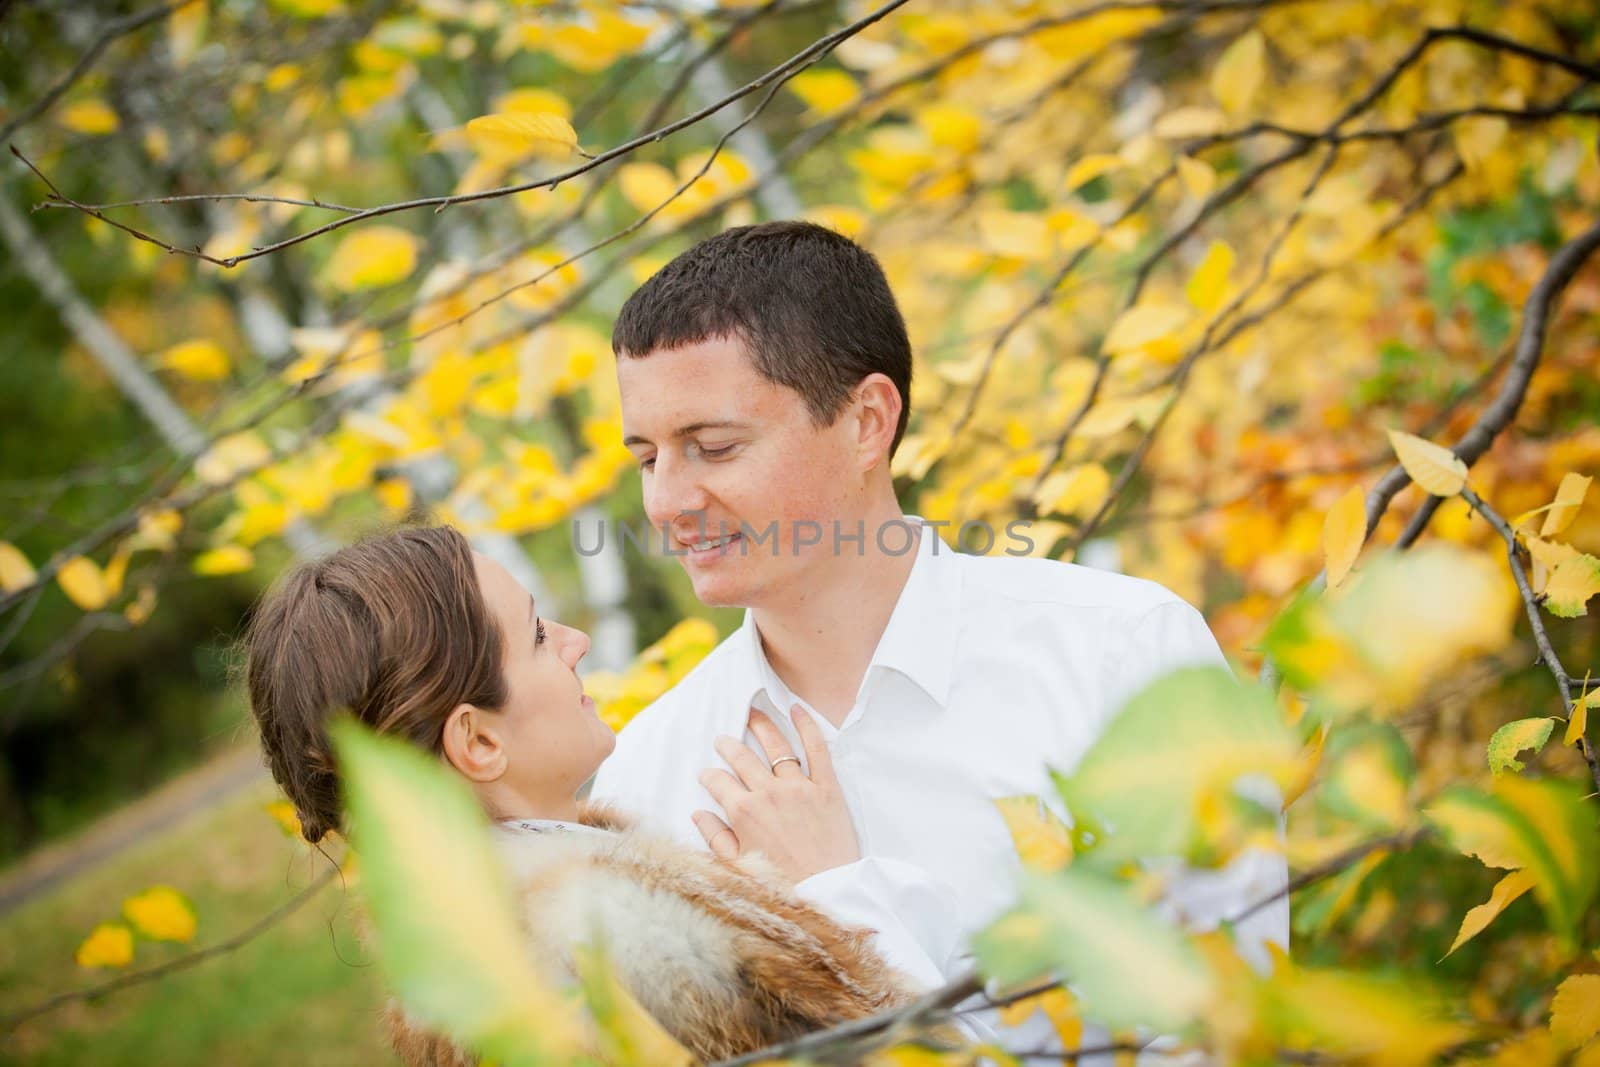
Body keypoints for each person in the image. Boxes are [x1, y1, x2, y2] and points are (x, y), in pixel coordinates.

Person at [589, 221, 1290, 1053]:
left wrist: (838, 899)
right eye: (646, 459)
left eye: (712, 446)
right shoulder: (645, 777)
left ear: (866, 422)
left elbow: (1228, 1038)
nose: (667, 502)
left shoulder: (1124, 660)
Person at [242, 525, 915, 1065]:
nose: (575, 642)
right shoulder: (621, 945)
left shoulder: (459, 963)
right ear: (477, 742)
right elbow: (920, 1055)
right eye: (537, 635)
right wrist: (830, 887)